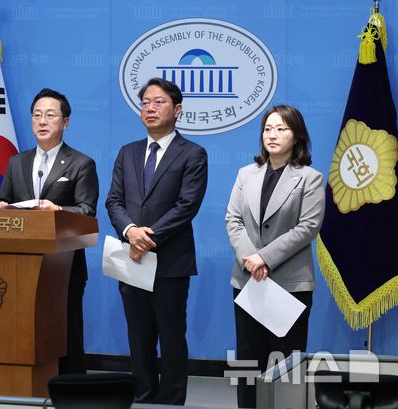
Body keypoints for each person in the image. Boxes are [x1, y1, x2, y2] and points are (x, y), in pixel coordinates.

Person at [105, 78, 208, 404]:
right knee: (139, 338)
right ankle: (144, 397)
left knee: (172, 337)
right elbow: (114, 201)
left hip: (170, 263)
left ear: (177, 110)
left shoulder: (193, 153)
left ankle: (172, 402)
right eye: (145, 102)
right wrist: (130, 231)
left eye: (159, 102)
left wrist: (147, 238)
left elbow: (186, 206)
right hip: (131, 261)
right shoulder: (128, 152)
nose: (150, 108)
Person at [225, 104, 325, 408]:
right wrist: (250, 259)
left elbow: (308, 227)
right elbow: (233, 219)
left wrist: (265, 258)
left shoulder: (310, 178)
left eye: (281, 128)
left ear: (297, 136)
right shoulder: (246, 174)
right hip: (248, 280)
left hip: (289, 284)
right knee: (247, 361)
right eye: (268, 128)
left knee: (285, 363)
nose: (272, 134)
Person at [0, 88, 98, 374]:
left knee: (66, 333)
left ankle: (70, 389)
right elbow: (4, 201)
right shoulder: (17, 162)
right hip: (20, 265)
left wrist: (58, 210)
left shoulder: (81, 163)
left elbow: (87, 211)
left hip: (64, 266)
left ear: (65, 122)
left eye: (50, 115)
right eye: (37, 115)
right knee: (26, 332)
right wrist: (1, 207)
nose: (42, 121)